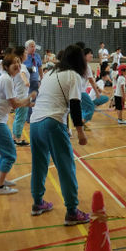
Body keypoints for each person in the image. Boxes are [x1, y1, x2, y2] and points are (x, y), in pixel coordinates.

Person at [29, 45, 91, 224]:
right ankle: (72, 211)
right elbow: (75, 105)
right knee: (66, 167)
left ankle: (38, 203)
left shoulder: (49, 73)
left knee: (39, 164)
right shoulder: (73, 75)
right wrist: (80, 133)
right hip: (52, 123)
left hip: (35, 123)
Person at [0, 54, 36, 195]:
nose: (18, 66)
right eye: (14, 64)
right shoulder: (6, 80)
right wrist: (29, 98)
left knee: (5, 152)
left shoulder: (8, 79)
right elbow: (15, 104)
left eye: (19, 63)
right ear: (6, 67)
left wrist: (29, 103)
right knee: (10, 154)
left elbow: (13, 104)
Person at [12, 46, 31, 146]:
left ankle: (15, 138)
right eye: (25, 53)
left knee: (18, 117)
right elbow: (22, 74)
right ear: (21, 55)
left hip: (18, 95)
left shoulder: (17, 65)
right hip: (22, 96)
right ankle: (18, 139)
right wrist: (26, 81)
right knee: (21, 118)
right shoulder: (21, 66)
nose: (26, 54)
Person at [81, 48, 104, 126]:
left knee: (82, 108)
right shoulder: (86, 66)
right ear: (84, 55)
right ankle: (81, 122)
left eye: (92, 53)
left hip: (77, 91)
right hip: (80, 91)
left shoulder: (79, 64)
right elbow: (91, 81)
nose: (92, 55)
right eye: (90, 53)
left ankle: (81, 122)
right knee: (91, 106)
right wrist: (97, 92)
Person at [23, 40, 43, 121]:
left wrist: (42, 79)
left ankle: (34, 116)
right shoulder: (24, 56)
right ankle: (28, 118)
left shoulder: (37, 56)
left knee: (36, 99)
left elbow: (40, 68)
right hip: (26, 82)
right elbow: (22, 69)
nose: (34, 48)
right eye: (31, 46)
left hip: (35, 81)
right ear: (26, 48)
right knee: (28, 99)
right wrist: (31, 69)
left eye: (34, 46)